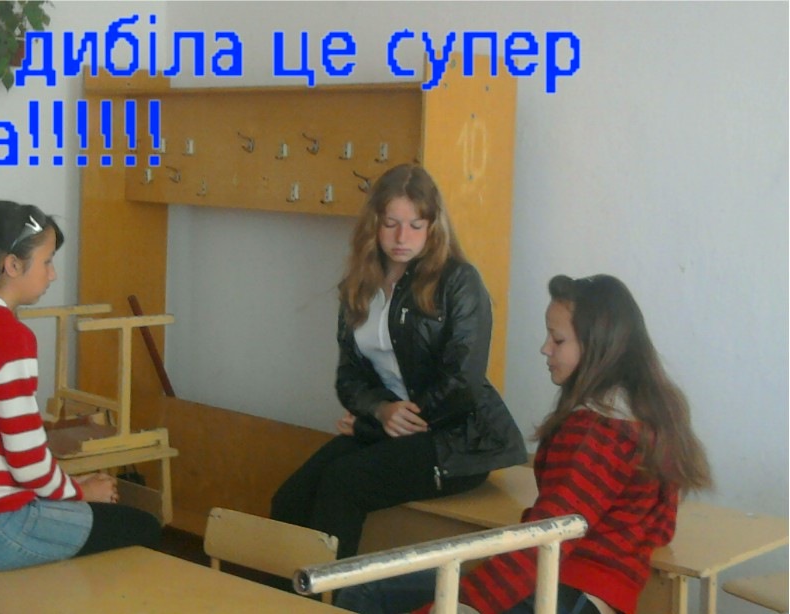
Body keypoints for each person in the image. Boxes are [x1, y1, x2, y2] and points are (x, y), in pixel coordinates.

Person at [336, 274, 713, 614]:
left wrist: (465, 605)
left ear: (599, 346)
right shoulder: (648, 415)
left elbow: (545, 540)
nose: (545, 349)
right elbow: (660, 528)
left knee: (365, 592)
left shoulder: (597, 430)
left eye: (558, 339)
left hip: (561, 592)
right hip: (584, 590)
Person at [270, 164, 528, 559]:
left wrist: (376, 423)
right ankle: (276, 591)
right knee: (289, 498)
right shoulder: (359, 284)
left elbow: (461, 383)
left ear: (433, 227)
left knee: (344, 483)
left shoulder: (460, 281)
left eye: (415, 225)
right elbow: (349, 376)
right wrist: (379, 410)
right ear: (374, 224)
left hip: (456, 440)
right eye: (390, 224)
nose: (401, 237)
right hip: (391, 428)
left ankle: (329, 592)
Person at [0, 200, 161, 572]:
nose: (52, 274)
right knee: (143, 526)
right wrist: (80, 491)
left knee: (78, 509)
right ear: (13, 265)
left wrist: (66, 488)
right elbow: (27, 462)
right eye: (47, 261)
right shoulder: (6, 336)